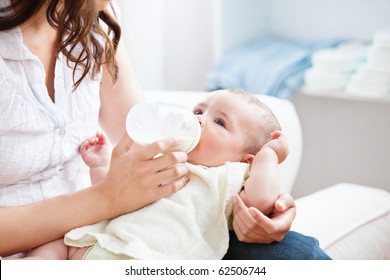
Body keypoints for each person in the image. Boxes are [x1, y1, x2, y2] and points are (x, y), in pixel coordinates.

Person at [0, 0, 329, 260]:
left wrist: (270, 203)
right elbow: (114, 190)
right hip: (80, 236)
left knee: (302, 255)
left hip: (136, 229)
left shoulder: (91, 18)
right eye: (199, 110)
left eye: (217, 120)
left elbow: (146, 133)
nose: (198, 119)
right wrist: (106, 196)